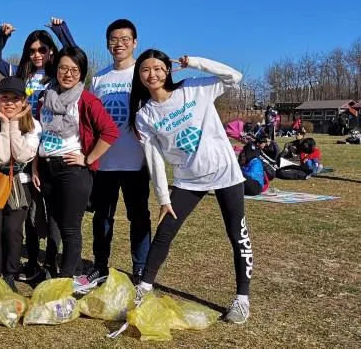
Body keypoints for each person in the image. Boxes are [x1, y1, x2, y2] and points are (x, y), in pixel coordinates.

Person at [129, 49, 253, 324]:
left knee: (237, 233)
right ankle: (144, 288)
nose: (153, 74)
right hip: (188, 180)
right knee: (165, 231)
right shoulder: (144, 115)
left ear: (169, 70)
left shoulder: (194, 88)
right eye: (146, 70)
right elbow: (154, 159)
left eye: (158, 68)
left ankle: (242, 300)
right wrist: (163, 197)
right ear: (139, 76)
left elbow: (235, 76)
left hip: (225, 172)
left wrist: (194, 62)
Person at [0, 18, 67, 279]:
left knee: (54, 211)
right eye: (32, 50)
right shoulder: (19, 73)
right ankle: (31, 262)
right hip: (24, 146)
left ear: (51, 51)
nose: (37, 55)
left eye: (42, 50)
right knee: (31, 210)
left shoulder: (58, 74)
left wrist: (60, 31)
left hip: (50, 147)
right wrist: (2, 35)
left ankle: (52, 262)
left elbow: (74, 54)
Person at [32, 46, 119, 284]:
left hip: (73, 171)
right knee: (53, 226)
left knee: (70, 228)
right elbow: (39, 135)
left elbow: (110, 132)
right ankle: (54, 269)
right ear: (56, 69)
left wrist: (88, 158)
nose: (68, 74)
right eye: (63, 68)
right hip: (47, 168)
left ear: (81, 73)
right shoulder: (45, 98)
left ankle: (64, 282)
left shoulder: (86, 100)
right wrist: (35, 167)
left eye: (74, 69)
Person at [87, 18, 151, 287]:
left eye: (125, 39)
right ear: (107, 43)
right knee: (102, 217)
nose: (119, 44)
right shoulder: (99, 77)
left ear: (135, 43)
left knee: (138, 216)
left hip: (136, 160)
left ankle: (140, 269)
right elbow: (91, 117)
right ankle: (99, 266)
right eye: (114, 39)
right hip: (105, 161)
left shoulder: (143, 73)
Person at [0, 77, 41, 292]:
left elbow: (23, 156)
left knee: (13, 230)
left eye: (16, 99)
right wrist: (5, 124)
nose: (10, 103)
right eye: (5, 98)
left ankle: (10, 274)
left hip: (19, 184)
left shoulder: (34, 126)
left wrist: (14, 124)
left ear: (24, 102)